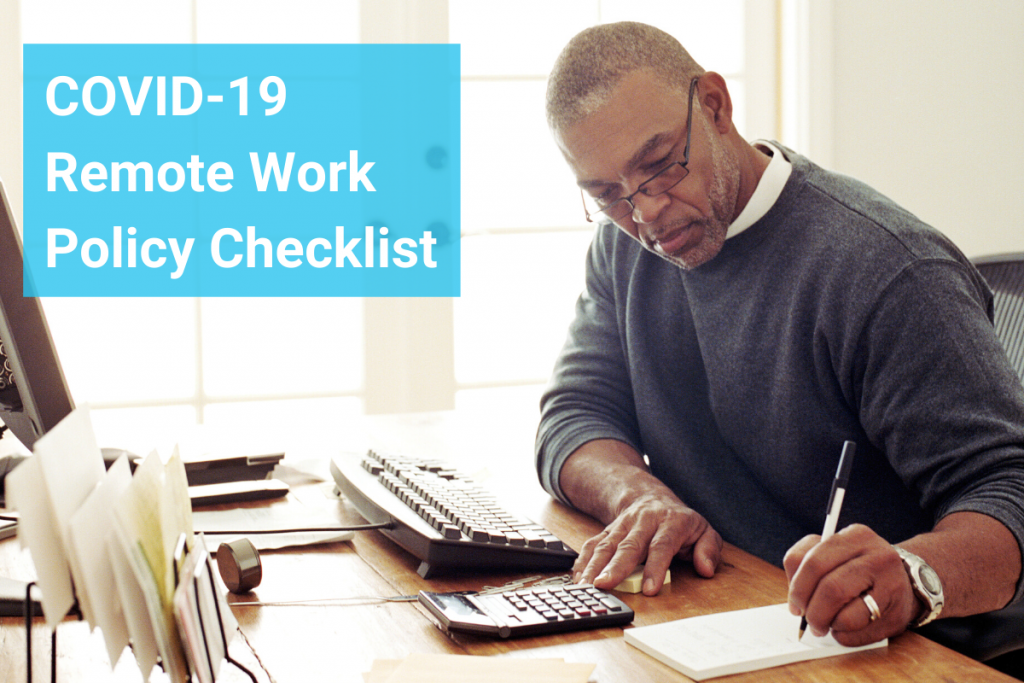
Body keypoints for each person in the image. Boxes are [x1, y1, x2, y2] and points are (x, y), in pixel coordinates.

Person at [535, 21, 1024, 647]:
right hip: (726, 616)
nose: (645, 212)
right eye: (607, 194)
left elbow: (1007, 486)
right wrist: (639, 498)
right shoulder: (623, 248)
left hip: (903, 647)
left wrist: (913, 574)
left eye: (659, 166)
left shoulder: (887, 270)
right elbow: (576, 415)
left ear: (714, 106)